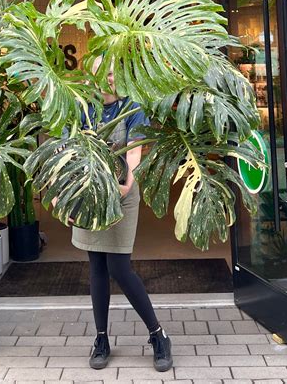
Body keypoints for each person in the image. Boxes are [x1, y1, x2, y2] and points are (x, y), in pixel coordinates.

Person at [71, 56, 173, 372]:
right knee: (96, 265)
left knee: (119, 267)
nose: (108, 78)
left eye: (112, 72)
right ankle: (101, 338)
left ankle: (158, 335)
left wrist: (122, 188)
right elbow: (69, 151)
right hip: (89, 192)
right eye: (100, 73)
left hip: (121, 194)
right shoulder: (82, 108)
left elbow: (133, 157)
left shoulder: (133, 107)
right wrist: (69, 198)